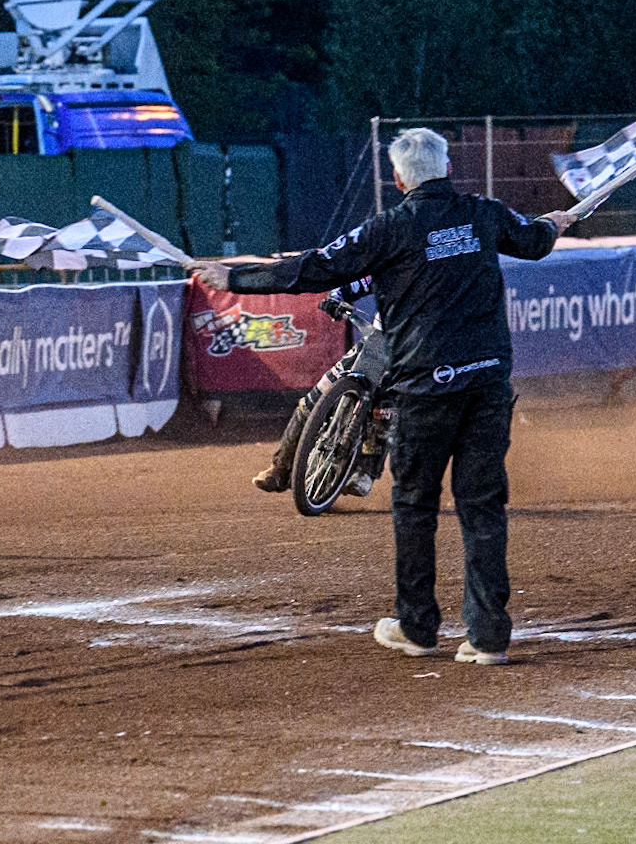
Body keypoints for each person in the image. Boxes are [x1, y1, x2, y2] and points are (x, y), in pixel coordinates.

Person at [187, 127, 576, 666]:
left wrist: (234, 279)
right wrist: (551, 224)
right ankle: (488, 638)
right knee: (482, 507)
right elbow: (532, 243)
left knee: (415, 505)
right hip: (487, 382)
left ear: (397, 179)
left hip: (425, 386)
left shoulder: (389, 228)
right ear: (447, 168)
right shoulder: (483, 214)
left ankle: (417, 628)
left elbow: (313, 268)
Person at [252, 276, 379, 496]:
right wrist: (335, 297)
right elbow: (359, 283)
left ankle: (365, 473)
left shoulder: (436, 279)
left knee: (385, 408)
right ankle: (280, 468)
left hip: (413, 348)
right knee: (313, 399)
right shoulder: (391, 268)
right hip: (377, 341)